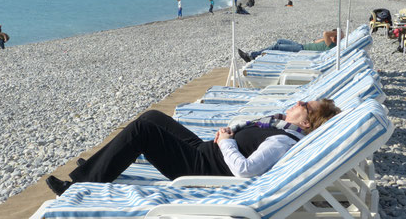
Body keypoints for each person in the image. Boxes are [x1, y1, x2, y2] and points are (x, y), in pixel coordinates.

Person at [46, 99, 341, 196]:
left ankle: (79, 185)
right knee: (152, 116)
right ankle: (97, 167)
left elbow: (246, 172)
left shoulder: (281, 141)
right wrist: (225, 137)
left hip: (201, 169)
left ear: (306, 124)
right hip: (205, 152)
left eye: (306, 106)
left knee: (143, 130)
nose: (300, 102)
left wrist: (226, 142)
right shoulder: (280, 128)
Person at [238, 29, 344, 62]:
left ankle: (252, 56)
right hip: (301, 46)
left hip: (301, 50)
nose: (333, 37)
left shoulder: (332, 46)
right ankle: (254, 55)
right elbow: (316, 41)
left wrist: (336, 34)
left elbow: (325, 33)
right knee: (279, 40)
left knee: (277, 46)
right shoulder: (328, 42)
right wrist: (333, 36)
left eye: (335, 36)